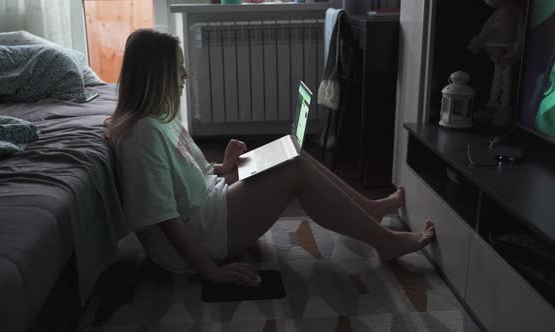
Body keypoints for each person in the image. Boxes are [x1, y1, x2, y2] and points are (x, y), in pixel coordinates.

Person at [106, 29, 435, 288]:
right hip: (202, 238)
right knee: (294, 168)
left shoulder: (161, 119)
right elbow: (166, 218)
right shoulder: (143, 137)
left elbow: (193, 176)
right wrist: (209, 271)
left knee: (291, 151)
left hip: (211, 207)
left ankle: (372, 210)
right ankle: (386, 242)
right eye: (178, 71)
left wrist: (226, 166)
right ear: (154, 78)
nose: (186, 77)